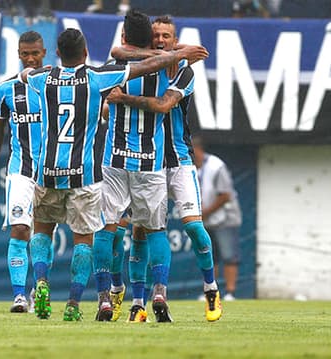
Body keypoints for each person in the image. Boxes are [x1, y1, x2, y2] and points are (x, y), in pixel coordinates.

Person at [21, 27, 208, 321]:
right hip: (85, 173)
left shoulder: (40, 80)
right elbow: (144, 66)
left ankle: (42, 282)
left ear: (57, 53)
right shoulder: (98, 78)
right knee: (85, 240)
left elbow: (25, 76)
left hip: (48, 171)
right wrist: (177, 53)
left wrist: (41, 69)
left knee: (43, 230)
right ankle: (72, 303)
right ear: (84, 53)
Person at [107, 15, 224, 322]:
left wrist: (177, 55)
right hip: (149, 160)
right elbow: (118, 52)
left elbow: (163, 105)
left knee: (193, 227)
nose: (160, 40)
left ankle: (210, 288)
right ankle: (138, 302)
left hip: (180, 159)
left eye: (167, 36)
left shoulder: (183, 71)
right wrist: (173, 52)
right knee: (140, 231)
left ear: (175, 39)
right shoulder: (146, 63)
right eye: (155, 35)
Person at [0, 31, 47, 313]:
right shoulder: (5, 90)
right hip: (20, 170)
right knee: (20, 229)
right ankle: (19, 295)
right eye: (25, 53)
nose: (30, 58)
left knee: (43, 236)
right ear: (19, 54)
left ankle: (38, 289)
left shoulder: (55, 84)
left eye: (35, 53)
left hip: (53, 171)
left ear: (44, 52)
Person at [193, 136, 243, 302]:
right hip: (206, 218)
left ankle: (230, 292)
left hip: (226, 217)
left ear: (199, 149)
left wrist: (205, 212)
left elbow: (225, 195)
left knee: (229, 255)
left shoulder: (216, 166)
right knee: (209, 255)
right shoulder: (192, 168)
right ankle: (210, 290)